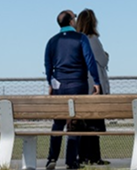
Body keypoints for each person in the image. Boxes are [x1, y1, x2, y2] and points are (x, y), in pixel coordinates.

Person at [45, 9, 105, 170]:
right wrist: (96, 81)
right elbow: (89, 60)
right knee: (74, 122)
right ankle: (71, 161)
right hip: (78, 84)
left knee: (58, 123)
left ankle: (52, 158)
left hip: (59, 85)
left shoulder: (52, 41)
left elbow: (48, 64)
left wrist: (50, 83)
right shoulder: (81, 38)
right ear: (71, 21)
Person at [75, 9, 112, 166]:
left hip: (82, 87)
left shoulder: (77, 40)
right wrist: (106, 55)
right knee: (94, 125)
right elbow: (102, 60)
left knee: (83, 124)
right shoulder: (93, 39)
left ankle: (82, 155)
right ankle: (94, 156)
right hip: (94, 87)